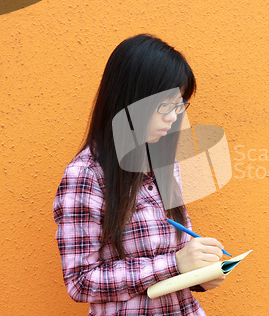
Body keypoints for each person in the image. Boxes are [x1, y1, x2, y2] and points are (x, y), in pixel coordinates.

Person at [52, 33, 225, 315]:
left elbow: (174, 257)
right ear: (130, 100)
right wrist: (176, 264)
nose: (173, 116)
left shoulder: (164, 165)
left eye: (180, 104)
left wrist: (199, 273)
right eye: (165, 105)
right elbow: (80, 282)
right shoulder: (86, 175)